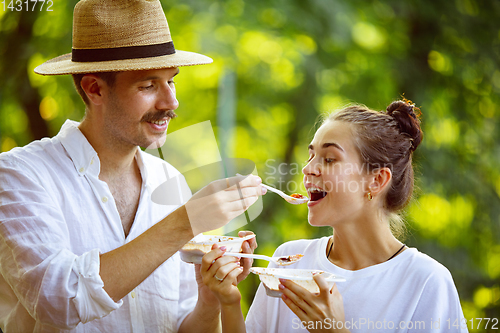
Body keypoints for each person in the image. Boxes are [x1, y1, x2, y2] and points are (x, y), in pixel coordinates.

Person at [0, 0, 265, 332]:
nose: (171, 102)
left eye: (172, 81)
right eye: (148, 85)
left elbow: (183, 326)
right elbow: (60, 301)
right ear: (94, 89)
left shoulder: (169, 178)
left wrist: (211, 298)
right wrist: (187, 221)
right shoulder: (20, 175)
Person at [201, 99, 469, 332]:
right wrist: (228, 301)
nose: (307, 169)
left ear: (376, 180)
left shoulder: (425, 281)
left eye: (329, 159)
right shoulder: (288, 262)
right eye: (311, 156)